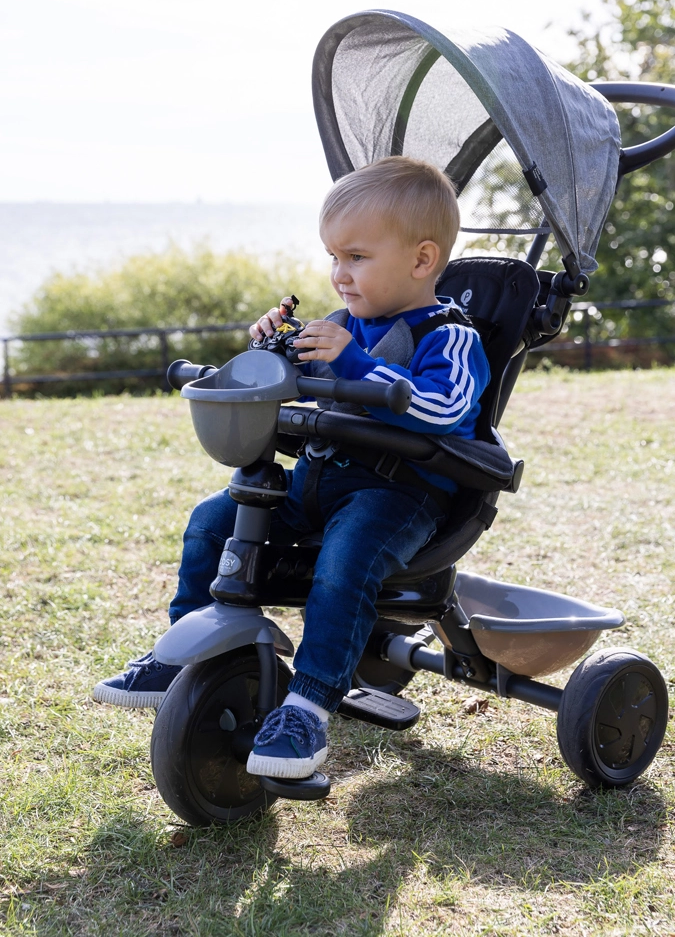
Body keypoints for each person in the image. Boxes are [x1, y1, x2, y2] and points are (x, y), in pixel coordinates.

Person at [93, 156, 490, 780]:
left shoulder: (450, 336)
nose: (339, 274)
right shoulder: (338, 327)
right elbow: (288, 385)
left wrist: (355, 363)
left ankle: (308, 705)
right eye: (333, 257)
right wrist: (269, 349)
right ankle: (185, 654)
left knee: (344, 563)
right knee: (213, 520)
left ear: (421, 260)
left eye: (356, 257)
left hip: (397, 496)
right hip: (316, 483)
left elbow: (445, 408)